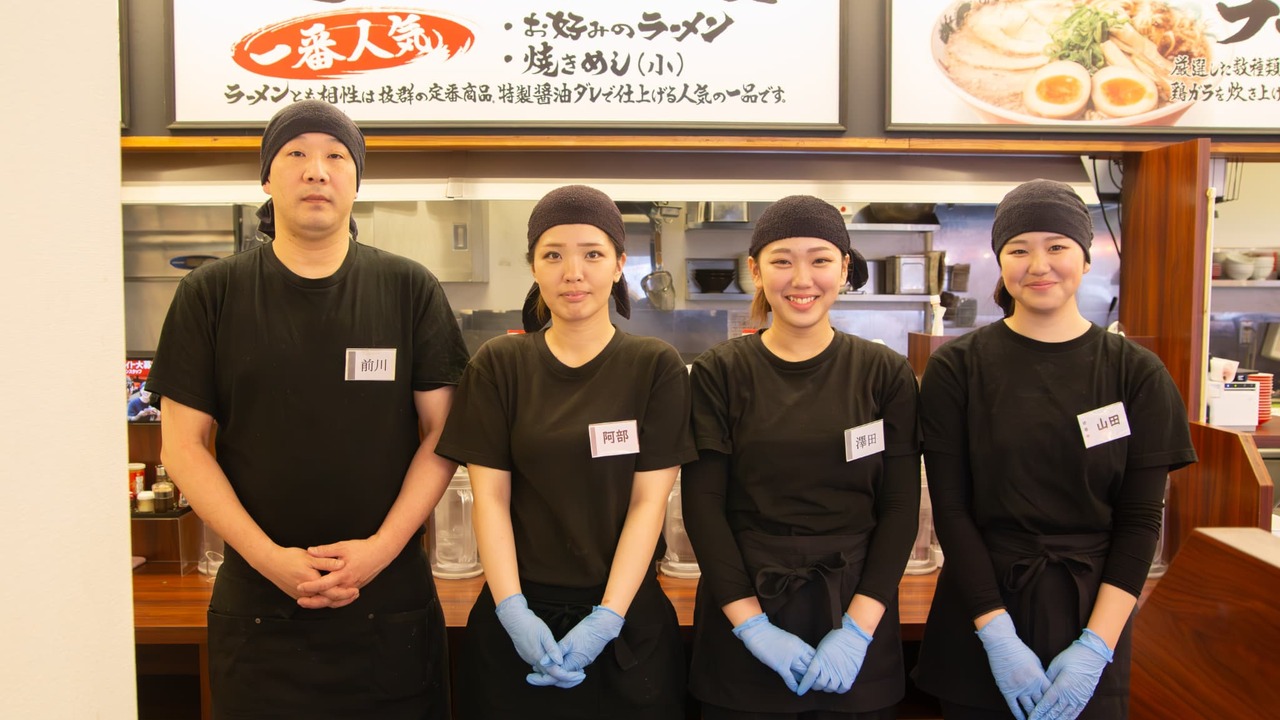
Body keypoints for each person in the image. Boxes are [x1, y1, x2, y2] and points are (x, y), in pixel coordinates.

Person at [145, 100, 469, 719]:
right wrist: (271, 561)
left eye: (335, 157)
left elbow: (442, 435)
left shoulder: (409, 288)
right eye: (295, 154)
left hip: (387, 601)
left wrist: (378, 550)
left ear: (356, 180)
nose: (316, 170)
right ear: (267, 178)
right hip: (259, 604)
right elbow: (183, 446)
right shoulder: (210, 295)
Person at [912, 179, 1197, 720]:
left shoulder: (1136, 373)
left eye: (1057, 246)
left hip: (1094, 611)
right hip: (981, 606)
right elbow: (951, 511)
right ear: (1001, 263)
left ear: (1085, 260)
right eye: (1019, 250)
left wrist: (1095, 648)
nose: (1038, 264)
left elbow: (1140, 521)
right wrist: (997, 635)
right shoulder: (958, 368)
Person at [435, 185, 696, 719]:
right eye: (553, 254)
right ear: (533, 265)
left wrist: (608, 617)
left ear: (620, 264)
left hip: (627, 624)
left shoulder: (655, 367)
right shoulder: (499, 365)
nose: (572, 272)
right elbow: (490, 499)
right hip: (518, 618)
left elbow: (650, 502)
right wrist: (511, 609)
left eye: (592, 254)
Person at [682, 195, 921, 720]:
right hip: (745, 602)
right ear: (755, 271)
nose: (801, 278)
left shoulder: (884, 374)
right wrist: (752, 627)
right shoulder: (719, 373)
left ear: (845, 267)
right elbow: (702, 508)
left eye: (820, 259)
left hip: (857, 604)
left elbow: (902, 507)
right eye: (782, 260)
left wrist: (857, 629)